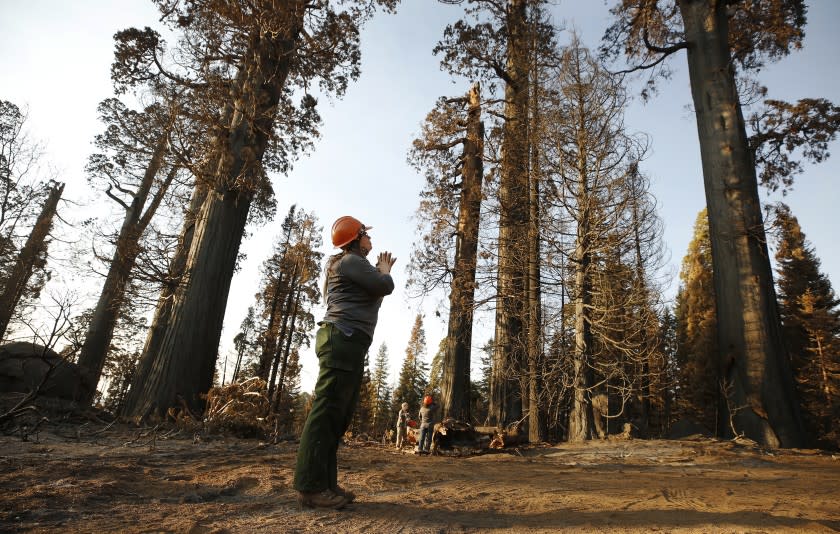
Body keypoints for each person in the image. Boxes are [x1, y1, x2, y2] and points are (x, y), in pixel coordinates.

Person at [294, 216, 396, 510]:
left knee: (338, 415)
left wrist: (378, 276)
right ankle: (310, 487)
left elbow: (374, 295)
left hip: (348, 342)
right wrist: (385, 272)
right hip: (342, 339)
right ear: (355, 238)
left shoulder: (350, 265)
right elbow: (384, 286)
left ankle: (325, 483)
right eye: (366, 234)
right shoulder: (350, 261)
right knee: (326, 413)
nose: (370, 240)